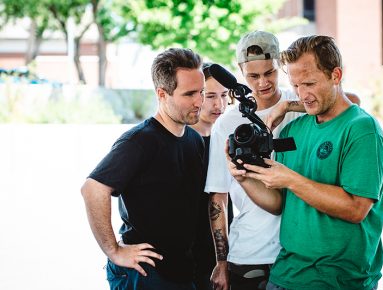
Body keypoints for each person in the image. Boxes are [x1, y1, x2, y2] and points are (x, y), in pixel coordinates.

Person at [231, 35, 383, 290]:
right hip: (284, 275)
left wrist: (291, 179)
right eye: (295, 85)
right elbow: (279, 203)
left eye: (309, 83)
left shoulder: (362, 130)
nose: (302, 94)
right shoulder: (293, 130)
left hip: (337, 281)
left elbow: (356, 209)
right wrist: (244, 179)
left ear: (335, 75)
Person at [205, 31, 361, 290]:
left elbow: (351, 103)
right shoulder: (227, 123)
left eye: (270, 72)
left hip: (300, 254)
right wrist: (221, 262)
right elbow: (217, 197)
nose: (263, 82)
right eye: (253, 76)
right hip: (251, 251)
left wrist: (288, 106)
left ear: (280, 66)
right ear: (241, 72)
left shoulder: (305, 98)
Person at [81, 48, 206, 290]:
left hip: (182, 270)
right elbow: (92, 189)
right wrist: (114, 251)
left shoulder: (194, 140)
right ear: (162, 94)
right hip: (145, 272)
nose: (199, 101)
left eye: (201, 92)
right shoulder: (139, 141)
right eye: (189, 94)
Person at [191, 62, 234, 290]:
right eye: (210, 96)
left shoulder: (231, 137)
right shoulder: (183, 140)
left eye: (225, 95)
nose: (219, 104)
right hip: (193, 250)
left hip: (229, 246)